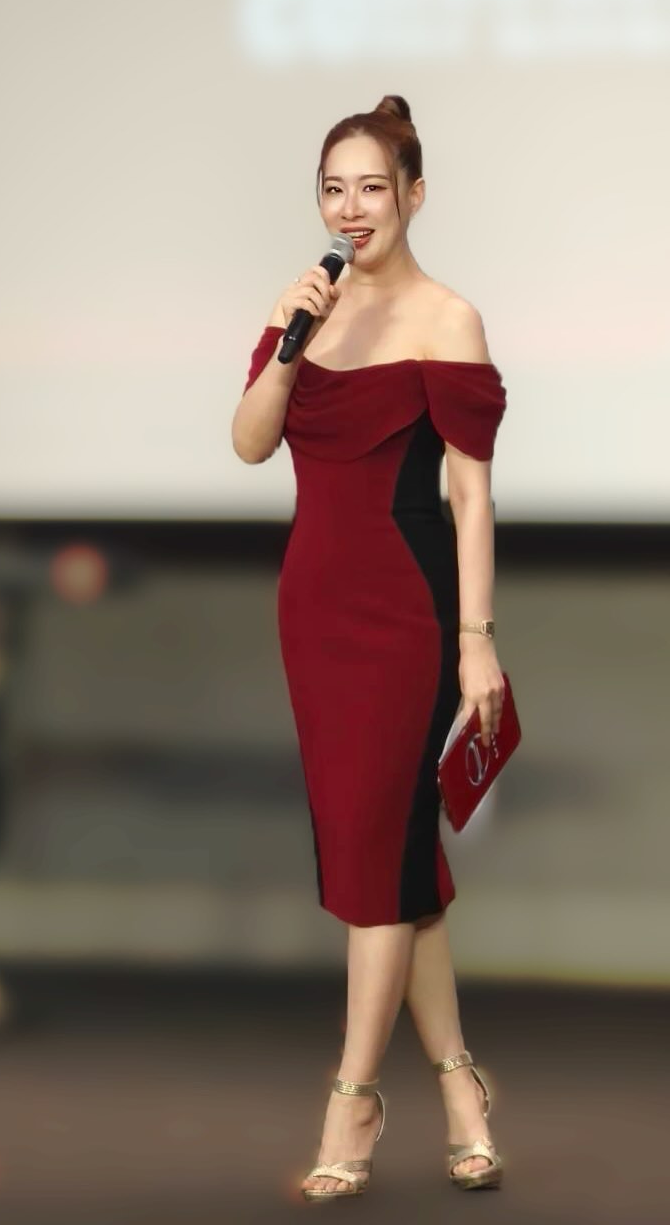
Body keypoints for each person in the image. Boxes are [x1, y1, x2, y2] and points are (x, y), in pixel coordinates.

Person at [231, 95, 507, 1200]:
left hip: (407, 611)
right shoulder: (305, 307)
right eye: (333, 189)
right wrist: (287, 345)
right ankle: (461, 1087)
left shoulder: (448, 318)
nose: (351, 208)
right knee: (389, 857)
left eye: (372, 188)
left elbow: (472, 497)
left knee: (373, 865)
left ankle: (352, 1101)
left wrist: (477, 643)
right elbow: (249, 442)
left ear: (414, 196)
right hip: (314, 608)